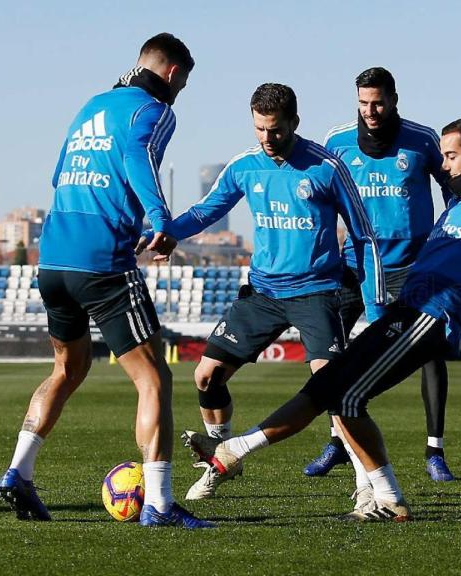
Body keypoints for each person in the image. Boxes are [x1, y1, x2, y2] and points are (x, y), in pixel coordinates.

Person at [183, 116, 461, 521]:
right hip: (408, 308)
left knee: (346, 397)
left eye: (451, 156)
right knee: (329, 386)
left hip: (429, 316)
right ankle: (236, 452)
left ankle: (383, 498)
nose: (443, 165)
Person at [0, 33, 213, 528]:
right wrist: (160, 219)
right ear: (174, 75)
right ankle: (158, 504)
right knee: (153, 377)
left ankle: (18, 471)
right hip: (103, 260)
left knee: (66, 370)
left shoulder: (91, 105)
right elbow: (137, 157)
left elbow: (58, 174)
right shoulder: (154, 110)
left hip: (53, 257)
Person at [161, 83, 386, 500]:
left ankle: (366, 484)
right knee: (206, 376)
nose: (267, 138)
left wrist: (374, 304)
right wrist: (167, 232)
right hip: (262, 293)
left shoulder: (327, 166)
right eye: (260, 129)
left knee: (332, 389)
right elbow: (206, 210)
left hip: (318, 293)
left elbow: (364, 235)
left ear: (294, 123)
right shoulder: (245, 165)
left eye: (276, 130)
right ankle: (220, 458)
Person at [307, 67, 456, 482]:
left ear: (393, 99)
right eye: (362, 103)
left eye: (377, 102)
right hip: (355, 265)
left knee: (429, 352)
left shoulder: (422, 139)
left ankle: (434, 452)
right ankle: (338, 441)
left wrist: (444, 243)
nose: (370, 111)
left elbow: (454, 194)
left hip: (413, 264)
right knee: (331, 350)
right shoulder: (336, 141)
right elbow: (319, 198)